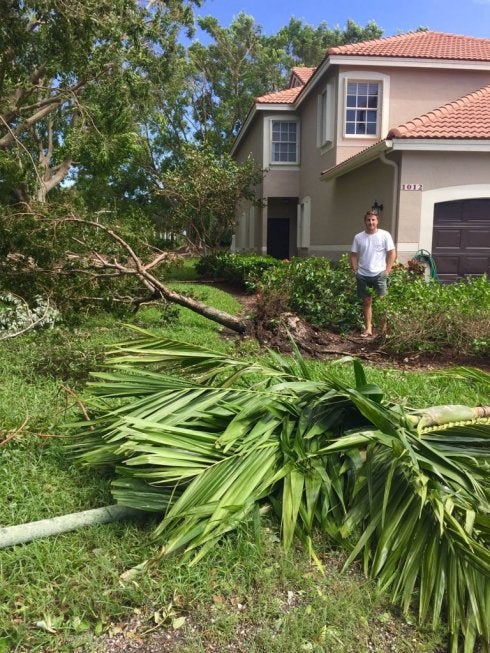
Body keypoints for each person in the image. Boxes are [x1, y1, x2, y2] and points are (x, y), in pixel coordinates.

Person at [349, 210, 396, 337]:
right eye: (368, 220)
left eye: (373, 220)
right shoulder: (358, 237)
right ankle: (368, 329)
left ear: (377, 221)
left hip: (379, 274)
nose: (371, 222)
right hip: (363, 275)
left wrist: (387, 270)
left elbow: (392, 253)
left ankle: (383, 330)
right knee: (367, 302)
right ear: (365, 221)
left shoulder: (385, 235)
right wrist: (355, 270)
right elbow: (353, 255)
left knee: (382, 302)